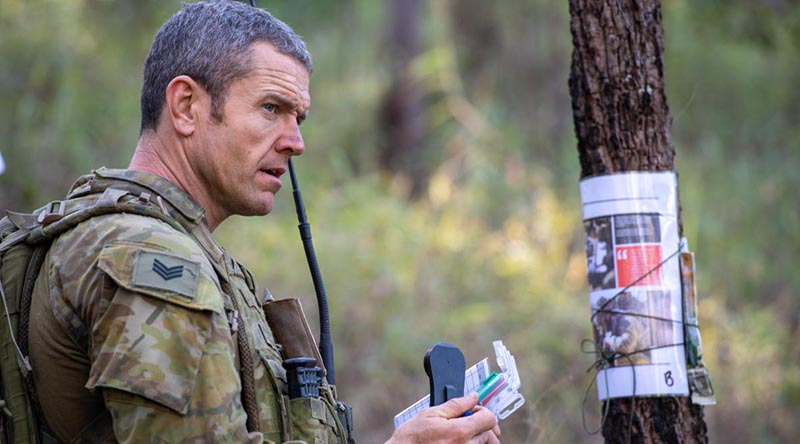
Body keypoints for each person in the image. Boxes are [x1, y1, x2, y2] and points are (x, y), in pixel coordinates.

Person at [25, 1, 501, 443]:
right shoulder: (154, 263)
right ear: (187, 106)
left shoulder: (161, 242)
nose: (296, 142)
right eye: (271, 108)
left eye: (299, 118)